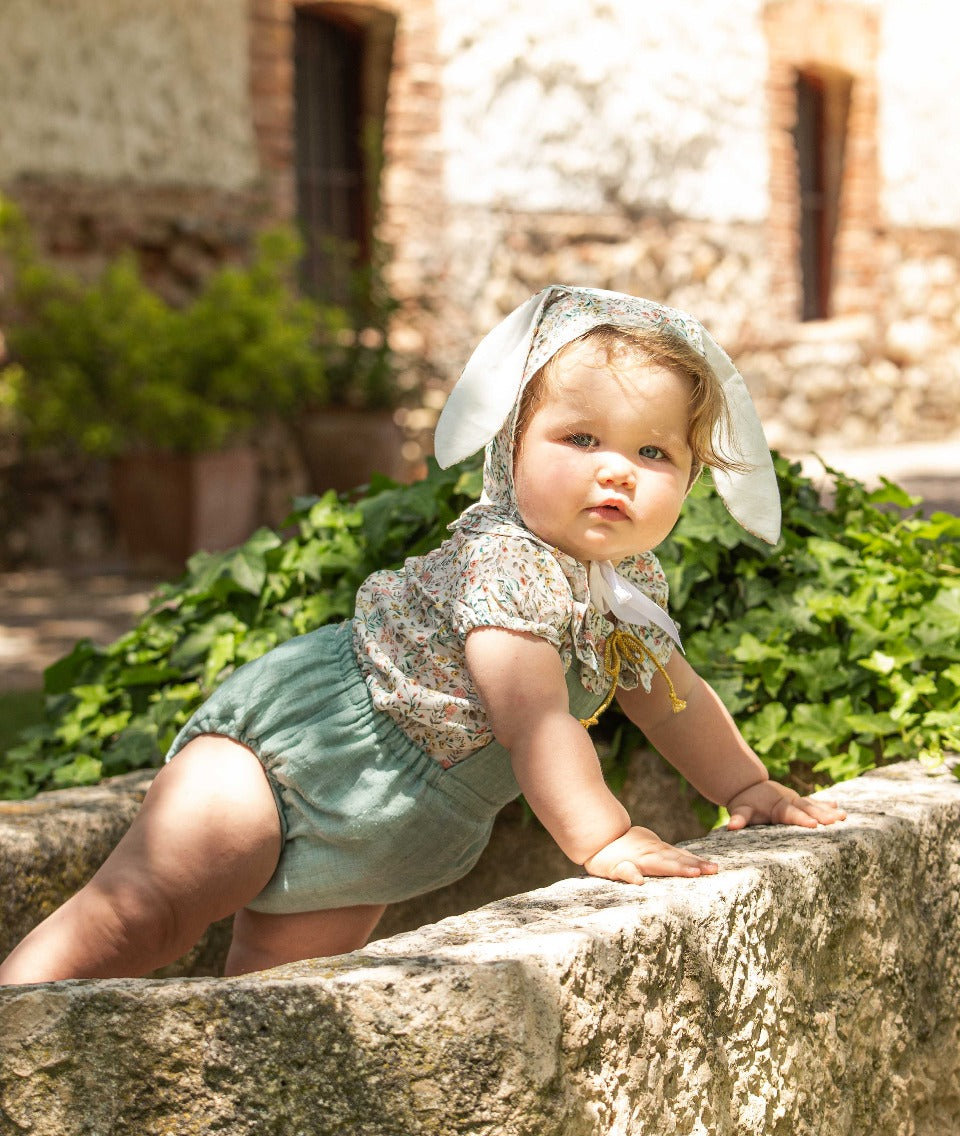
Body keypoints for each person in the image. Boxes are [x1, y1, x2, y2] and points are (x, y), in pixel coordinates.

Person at [0, 285, 844, 985]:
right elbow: (534, 719)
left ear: (693, 477)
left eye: (654, 452)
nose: (615, 469)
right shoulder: (501, 566)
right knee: (139, 914)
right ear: (512, 446)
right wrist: (605, 836)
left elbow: (671, 700)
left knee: (275, 1001)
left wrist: (745, 786)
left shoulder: (628, 591)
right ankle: (16, 1031)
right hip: (299, 755)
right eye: (579, 439)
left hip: (391, 824)